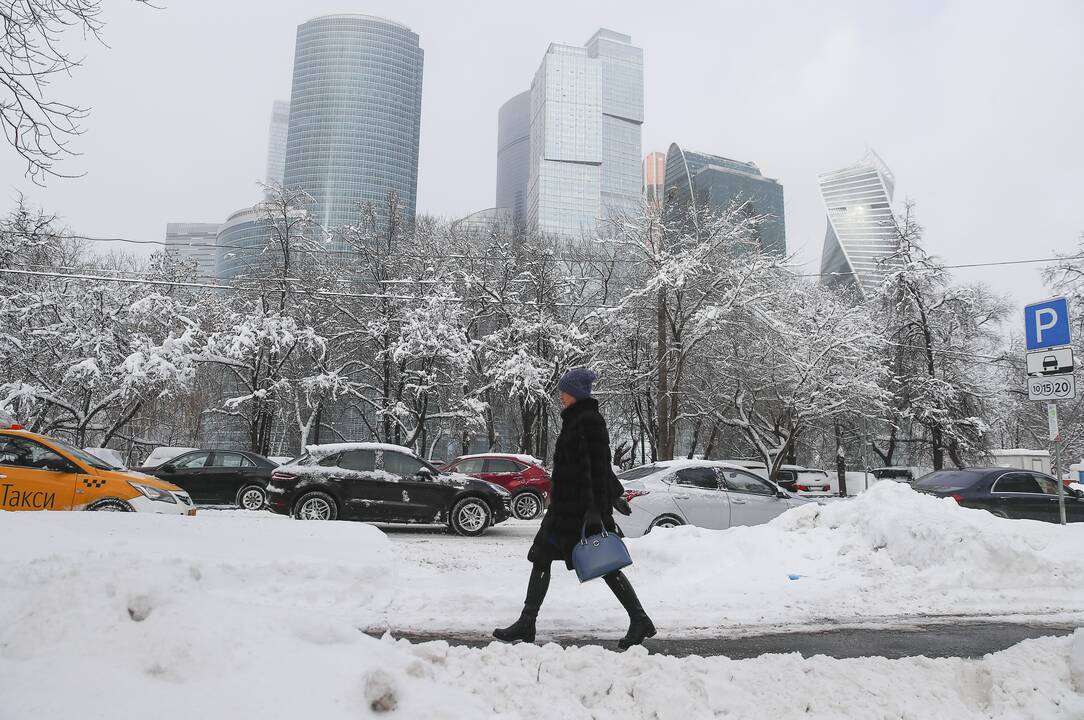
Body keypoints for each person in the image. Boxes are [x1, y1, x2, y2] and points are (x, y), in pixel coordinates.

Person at [493, 367, 656, 649]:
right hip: (566, 509)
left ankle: (639, 619)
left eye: (564, 391)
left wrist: (600, 506)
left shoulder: (589, 421)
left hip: (580, 510)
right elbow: (595, 466)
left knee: (603, 563)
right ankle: (527, 622)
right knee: (542, 557)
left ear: (576, 393)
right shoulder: (576, 420)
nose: (560, 396)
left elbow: (597, 465)